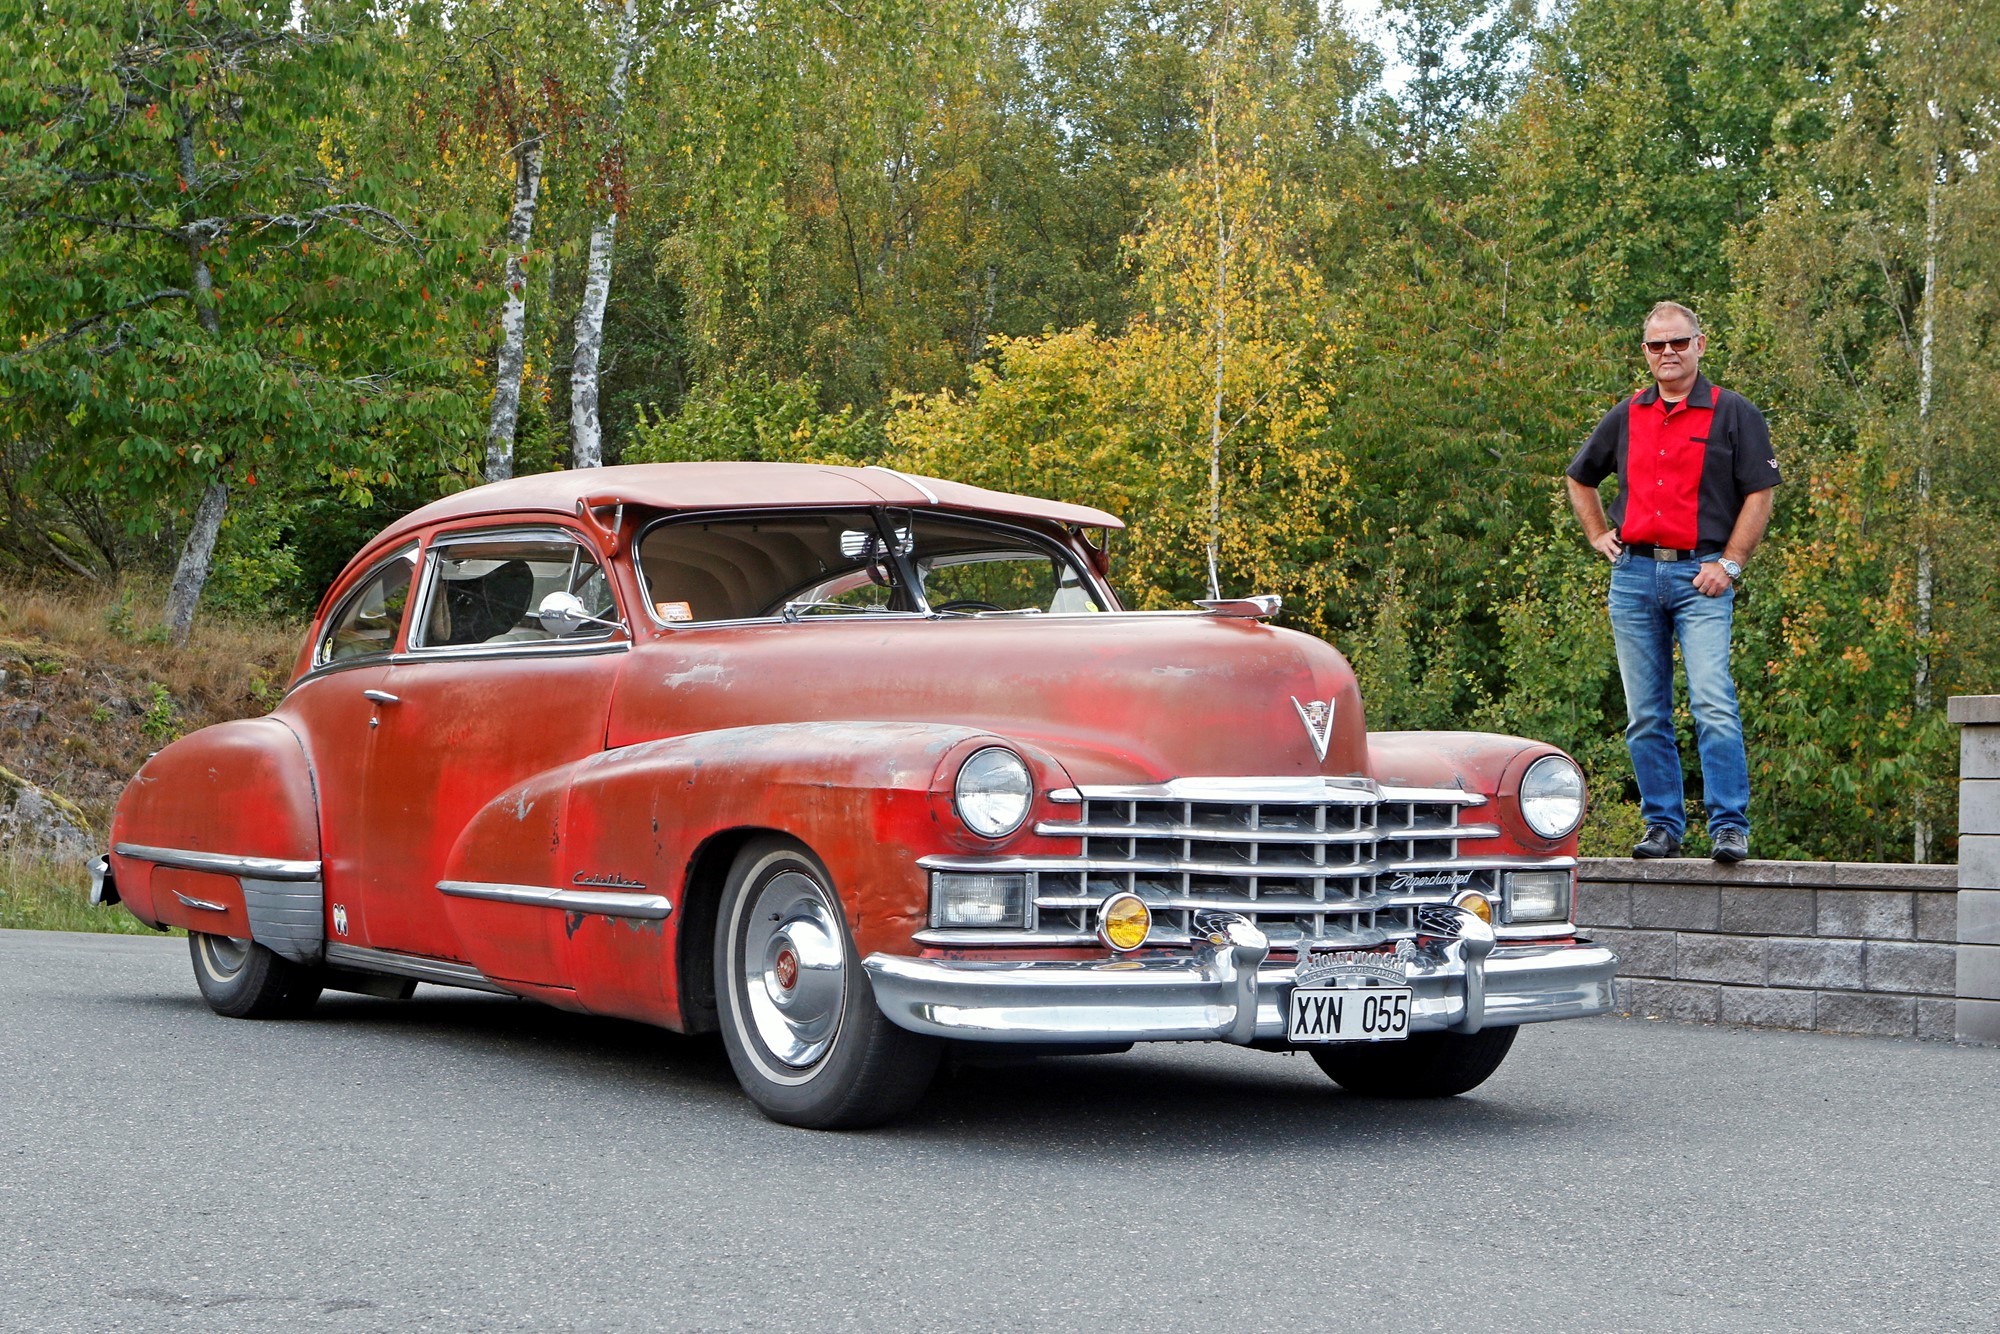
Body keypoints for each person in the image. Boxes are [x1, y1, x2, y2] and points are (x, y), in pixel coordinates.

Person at [1565, 302, 1780, 863]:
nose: (1668, 353)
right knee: (1645, 714)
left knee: (1712, 702)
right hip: (1633, 575)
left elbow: (1760, 493)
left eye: (1678, 343)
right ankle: (1663, 825)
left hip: (1702, 577)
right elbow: (1579, 477)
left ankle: (1729, 826)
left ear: (1700, 345)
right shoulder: (1626, 414)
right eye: (1657, 345)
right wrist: (1597, 535)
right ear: (1645, 352)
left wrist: (1730, 563)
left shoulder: (1734, 413)